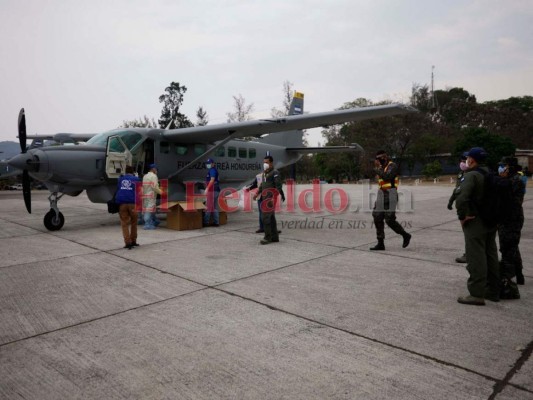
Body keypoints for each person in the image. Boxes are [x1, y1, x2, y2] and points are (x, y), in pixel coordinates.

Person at [455, 147, 500, 305]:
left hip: (475, 220)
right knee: (491, 254)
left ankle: (476, 293)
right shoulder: (490, 173)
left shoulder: (472, 175)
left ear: (472, 160)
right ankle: (493, 290)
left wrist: (462, 216)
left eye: (467, 158)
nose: (466, 161)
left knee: (476, 256)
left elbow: (461, 198)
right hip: (491, 220)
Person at [370, 150, 411, 251]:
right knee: (377, 217)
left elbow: (387, 176)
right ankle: (380, 243)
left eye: (378, 159)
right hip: (381, 195)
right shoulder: (381, 168)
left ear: (384, 158)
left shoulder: (392, 166)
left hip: (391, 194)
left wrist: (376, 169)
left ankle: (405, 235)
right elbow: (380, 180)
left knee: (389, 220)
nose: (377, 161)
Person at [497, 157, 525, 292]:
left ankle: (507, 280)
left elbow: (511, 201)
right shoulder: (510, 180)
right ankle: (519, 275)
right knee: (512, 247)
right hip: (506, 219)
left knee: (507, 248)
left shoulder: (515, 181)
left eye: (503, 166)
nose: (501, 168)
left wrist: (502, 181)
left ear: (511, 167)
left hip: (511, 219)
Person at [254, 155, 285, 245]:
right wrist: (257, 193)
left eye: (266, 162)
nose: (265, 164)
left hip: (270, 199)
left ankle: (267, 237)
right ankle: (274, 237)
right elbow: (262, 185)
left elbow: (278, 187)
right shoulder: (265, 173)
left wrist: (272, 197)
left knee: (265, 218)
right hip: (264, 198)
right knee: (271, 218)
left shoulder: (275, 173)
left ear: (271, 163)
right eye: (264, 162)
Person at [448, 153, 469, 263]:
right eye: (461, 160)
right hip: (462, 208)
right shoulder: (461, 174)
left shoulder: (473, 175)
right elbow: (457, 189)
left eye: (464, 160)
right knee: (467, 232)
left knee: (470, 232)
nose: (462, 162)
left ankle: (469, 254)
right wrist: (451, 201)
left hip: (470, 209)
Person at [115, 165, 141, 249]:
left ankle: (127, 242)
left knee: (124, 224)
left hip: (122, 204)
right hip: (132, 203)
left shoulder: (120, 179)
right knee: (134, 223)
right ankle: (133, 241)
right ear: (133, 171)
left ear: (125, 171)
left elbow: (118, 188)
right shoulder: (136, 179)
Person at [142, 164, 162, 230]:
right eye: (156, 169)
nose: (156, 171)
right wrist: (162, 192)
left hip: (145, 194)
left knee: (150, 209)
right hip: (151, 195)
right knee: (149, 209)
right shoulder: (154, 176)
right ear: (153, 169)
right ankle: (147, 224)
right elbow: (155, 187)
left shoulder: (145, 176)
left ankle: (154, 221)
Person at [203, 158, 220, 227]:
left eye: (209, 163)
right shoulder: (213, 170)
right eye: (207, 164)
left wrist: (207, 188)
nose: (208, 165)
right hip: (216, 190)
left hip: (212, 191)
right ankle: (216, 222)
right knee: (214, 207)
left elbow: (212, 180)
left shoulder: (212, 170)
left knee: (208, 207)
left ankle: (206, 222)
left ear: (213, 164)